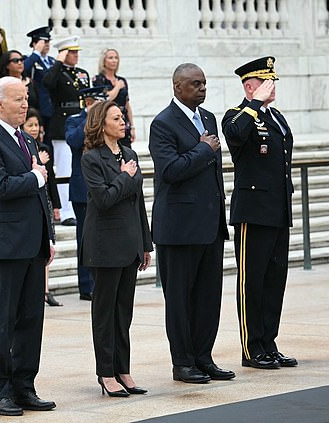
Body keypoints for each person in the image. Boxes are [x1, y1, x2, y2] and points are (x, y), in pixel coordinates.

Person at [0, 77, 56, 416]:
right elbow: (1, 187)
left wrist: (48, 236)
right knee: (5, 321)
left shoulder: (27, 139)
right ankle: (1, 391)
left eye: (26, 98)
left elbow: (42, 194)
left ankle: (25, 386)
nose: (25, 104)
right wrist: (36, 176)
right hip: (6, 245)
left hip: (33, 244)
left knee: (31, 320)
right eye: (18, 99)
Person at [149, 63, 234, 384]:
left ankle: (203, 357)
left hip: (210, 224)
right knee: (180, 300)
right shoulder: (163, 124)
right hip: (179, 228)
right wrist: (202, 149)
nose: (202, 89)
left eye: (204, 83)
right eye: (195, 84)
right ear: (177, 88)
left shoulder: (209, 118)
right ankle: (182, 362)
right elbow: (170, 170)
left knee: (208, 297)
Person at [221, 56, 297, 370]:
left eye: (274, 82)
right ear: (250, 86)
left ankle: (269, 342)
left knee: (274, 280)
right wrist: (254, 104)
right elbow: (236, 135)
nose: (273, 87)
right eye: (267, 82)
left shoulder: (275, 116)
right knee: (252, 283)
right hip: (253, 212)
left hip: (278, 209)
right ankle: (252, 348)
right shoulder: (237, 115)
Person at [81, 100, 153, 397]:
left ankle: (123, 369)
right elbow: (104, 199)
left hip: (130, 243)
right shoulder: (92, 158)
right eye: (116, 118)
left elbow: (138, 203)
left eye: (123, 117)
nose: (123, 121)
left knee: (124, 312)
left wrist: (145, 243)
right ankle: (106, 372)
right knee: (105, 312)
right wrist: (124, 176)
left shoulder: (129, 153)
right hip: (105, 245)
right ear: (102, 124)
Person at [65, 87, 107, 301]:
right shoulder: (74, 120)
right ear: (88, 101)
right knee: (85, 237)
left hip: (104, 187)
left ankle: (100, 282)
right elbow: (73, 141)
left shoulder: (107, 121)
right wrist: (90, 117)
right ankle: (86, 285)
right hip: (82, 190)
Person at [43, 35, 90, 226]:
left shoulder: (81, 73)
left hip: (81, 121)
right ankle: (65, 211)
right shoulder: (56, 72)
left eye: (76, 52)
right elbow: (47, 83)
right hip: (62, 123)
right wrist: (57, 63)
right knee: (63, 168)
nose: (75, 56)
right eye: (71, 52)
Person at [23, 107, 61, 307]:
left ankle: (45, 288)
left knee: (49, 244)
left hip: (45, 198)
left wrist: (56, 204)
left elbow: (52, 178)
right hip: (30, 197)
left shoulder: (45, 147)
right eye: (30, 125)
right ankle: (38, 288)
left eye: (36, 125)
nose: (34, 128)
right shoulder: (22, 147)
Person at [92, 48, 135, 148]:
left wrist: (132, 127)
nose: (114, 60)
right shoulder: (99, 80)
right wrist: (117, 87)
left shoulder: (122, 80)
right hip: (109, 122)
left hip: (123, 119)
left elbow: (127, 104)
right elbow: (106, 98)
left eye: (116, 58)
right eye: (110, 58)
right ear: (104, 61)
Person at [23, 26, 54, 135]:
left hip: (52, 107)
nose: (47, 45)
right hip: (39, 106)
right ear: (34, 43)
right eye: (43, 42)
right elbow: (24, 69)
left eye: (48, 42)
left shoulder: (52, 61)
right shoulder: (29, 59)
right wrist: (36, 52)